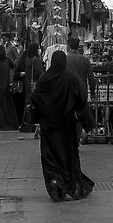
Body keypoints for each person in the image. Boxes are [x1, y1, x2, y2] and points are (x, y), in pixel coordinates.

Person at [31, 50, 94, 201]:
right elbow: (81, 100)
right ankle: (67, 184)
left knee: (50, 156)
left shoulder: (44, 79)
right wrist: (88, 122)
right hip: (66, 126)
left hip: (49, 127)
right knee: (68, 156)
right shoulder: (71, 79)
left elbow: (35, 98)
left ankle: (54, 181)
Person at [66, 37, 98, 134]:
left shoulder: (64, 60)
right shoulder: (85, 60)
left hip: (67, 93)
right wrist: (92, 93)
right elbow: (92, 79)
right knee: (80, 117)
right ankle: (76, 141)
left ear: (68, 46)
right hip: (81, 93)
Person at [14, 42, 45, 132]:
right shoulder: (36, 60)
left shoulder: (27, 59)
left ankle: (27, 124)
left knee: (28, 104)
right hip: (34, 86)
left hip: (27, 86)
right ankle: (33, 125)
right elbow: (40, 73)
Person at [0, 45, 19, 130]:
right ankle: (9, 123)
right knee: (7, 106)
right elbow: (12, 70)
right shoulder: (8, 61)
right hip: (6, 87)